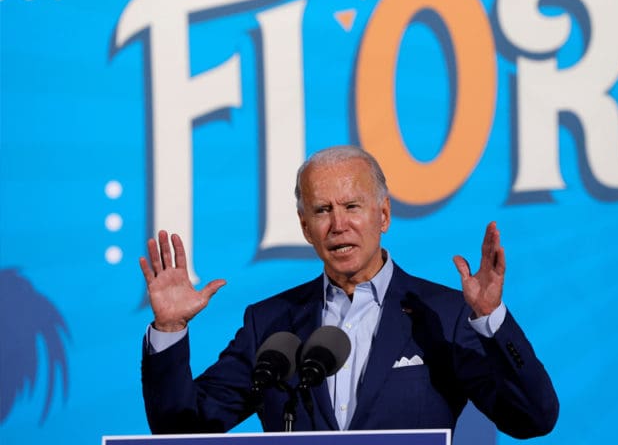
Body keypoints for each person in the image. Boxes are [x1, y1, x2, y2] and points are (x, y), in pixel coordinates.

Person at [138, 145, 559, 438]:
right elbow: (183, 430)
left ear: (383, 214)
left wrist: (491, 320)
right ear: (306, 228)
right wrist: (170, 329)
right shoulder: (269, 323)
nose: (338, 225)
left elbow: (532, 418)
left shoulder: (441, 314)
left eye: (352, 207)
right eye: (322, 210)